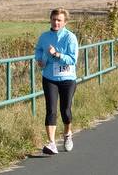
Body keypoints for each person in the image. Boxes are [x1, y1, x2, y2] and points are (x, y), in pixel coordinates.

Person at [35, 8, 78, 154]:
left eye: (59, 20)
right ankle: (52, 143)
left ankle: (67, 134)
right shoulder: (44, 36)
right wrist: (39, 60)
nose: (56, 22)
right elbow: (39, 50)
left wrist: (57, 55)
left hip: (67, 78)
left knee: (65, 110)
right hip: (49, 77)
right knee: (51, 110)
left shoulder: (70, 37)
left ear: (65, 22)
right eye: (54, 19)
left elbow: (73, 59)